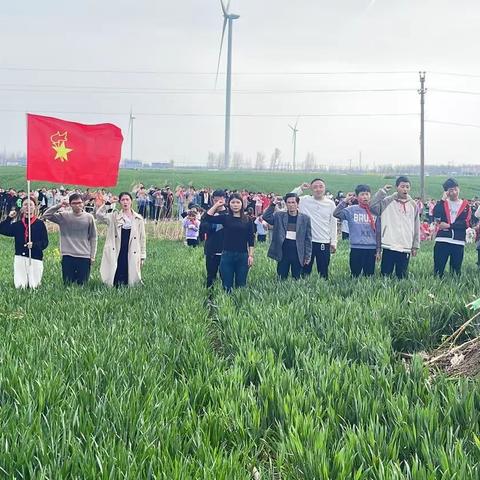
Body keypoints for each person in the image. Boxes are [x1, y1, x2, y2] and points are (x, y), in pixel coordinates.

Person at [370, 176, 420, 279]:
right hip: (389, 244)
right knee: (385, 275)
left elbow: (416, 225)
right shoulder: (387, 201)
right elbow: (373, 207)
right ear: (397, 187)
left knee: (401, 275)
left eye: (407, 187)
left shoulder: (413, 205)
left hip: (405, 245)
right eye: (402, 186)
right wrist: (382, 192)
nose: (405, 189)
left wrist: (415, 245)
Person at [43, 193, 97, 285]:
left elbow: (93, 237)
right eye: (74, 203)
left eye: (80, 202)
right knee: (67, 284)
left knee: (82, 285)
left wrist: (92, 256)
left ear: (83, 203)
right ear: (70, 204)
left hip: (84, 256)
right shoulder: (63, 216)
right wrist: (59, 205)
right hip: (68, 255)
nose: (78, 205)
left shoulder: (89, 217)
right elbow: (47, 215)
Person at [205, 193, 255, 292]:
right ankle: (227, 305)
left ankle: (239, 304)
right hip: (227, 255)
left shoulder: (248, 219)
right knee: (227, 285)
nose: (235, 205)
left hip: (243, 256)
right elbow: (207, 217)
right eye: (233, 202)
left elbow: (251, 239)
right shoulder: (225, 218)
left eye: (238, 202)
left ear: (242, 204)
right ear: (229, 204)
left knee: (241, 285)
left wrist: (251, 255)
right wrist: (216, 205)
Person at [95, 192, 146, 287]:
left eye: (127, 199)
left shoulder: (138, 218)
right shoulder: (114, 216)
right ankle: (115, 284)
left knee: (130, 265)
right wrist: (108, 203)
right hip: (117, 246)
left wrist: (143, 255)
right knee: (117, 264)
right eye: (123, 200)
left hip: (132, 247)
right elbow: (99, 215)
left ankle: (129, 285)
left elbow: (142, 238)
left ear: (131, 201)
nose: (125, 202)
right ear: (120, 202)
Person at [291, 179, 337, 279]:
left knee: (323, 270)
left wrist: (333, 242)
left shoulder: (330, 204)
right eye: (315, 187)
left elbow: (333, 223)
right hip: (307, 241)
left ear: (325, 188)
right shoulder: (304, 200)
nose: (318, 189)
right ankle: (304, 289)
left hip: (323, 241)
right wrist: (300, 189)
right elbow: (289, 197)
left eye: (321, 186)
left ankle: (322, 289)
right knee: (305, 269)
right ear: (311, 189)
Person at [0, 197, 48, 288]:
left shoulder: (40, 224)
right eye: (25, 204)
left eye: (30, 204)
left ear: (35, 207)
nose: (28, 207)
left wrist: (34, 245)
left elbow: (45, 242)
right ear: (22, 207)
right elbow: (2, 229)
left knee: (35, 286)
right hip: (20, 257)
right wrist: (9, 218)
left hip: (35, 257)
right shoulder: (17, 225)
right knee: (20, 286)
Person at [333, 185, 380, 277]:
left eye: (367, 194)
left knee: (369, 275)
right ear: (357, 197)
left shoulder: (375, 211)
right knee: (355, 274)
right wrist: (345, 201)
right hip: (356, 247)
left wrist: (378, 249)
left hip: (371, 248)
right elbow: (336, 213)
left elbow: (378, 231)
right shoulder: (351, 210)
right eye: (362, 194)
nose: (365, 197)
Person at [263, 193, 312, 280]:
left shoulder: (305, 218)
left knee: (297, 277)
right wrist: (273, 204)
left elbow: (308, 238)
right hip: (283, 250)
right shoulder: (279, 216)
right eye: (288, 202)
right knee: (281, 276)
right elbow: (266, 217)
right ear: (286, 204)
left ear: (297, 204)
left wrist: (307, 255)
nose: (291, 205)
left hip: (298, 251)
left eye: (293, 202)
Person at [432, 178, 471, 276]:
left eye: (455, 189)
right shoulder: (442, 204)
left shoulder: (465, 205)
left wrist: (449, 226)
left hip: (458, 240)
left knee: (455, 271)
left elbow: (466, 223)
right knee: (438, 270)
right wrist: (442, 200)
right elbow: (436, 216)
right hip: (442, 239)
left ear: (459, 188)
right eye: (450, 190)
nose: (454, 192)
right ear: (446, 192)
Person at [199, 189, 228, 288]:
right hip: (212, 250)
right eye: (216, 201)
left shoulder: (229, 213)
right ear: (212, 200)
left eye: (221, 200)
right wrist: (213, 216)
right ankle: (210, 297)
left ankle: (225, 298)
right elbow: (203, 229)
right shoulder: (208, 214)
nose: (219, 203)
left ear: (225, 200)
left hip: (226, 250)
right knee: (211, 277)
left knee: (226, 277)